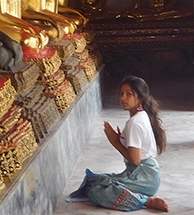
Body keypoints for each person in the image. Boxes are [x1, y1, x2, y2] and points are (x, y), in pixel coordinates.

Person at [67, 76, 169, 212]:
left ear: (140, 97)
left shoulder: (134, 123)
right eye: (121, 93)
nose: (122, 98)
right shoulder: (142, 115)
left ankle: (144, 201)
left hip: (143, 178)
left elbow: (135, 160)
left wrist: (115, 141)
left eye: (129, 94)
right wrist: (122, 139)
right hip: (146, 175)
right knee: (94, 179)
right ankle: (138, 195)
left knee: (95, 189)